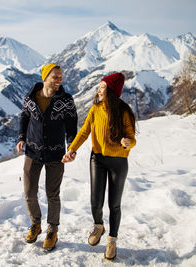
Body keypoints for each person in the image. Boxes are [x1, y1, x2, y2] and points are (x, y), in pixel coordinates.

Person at [62, 72, 136, 260]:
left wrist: (129, 142)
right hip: (98, 159)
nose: (99, 90)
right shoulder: (95, 110)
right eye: (99, 87)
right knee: (96, 201)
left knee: (114, 204)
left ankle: (112, 240)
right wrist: (71, 149)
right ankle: (99, 226)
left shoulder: (124, 111)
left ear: (111, 91)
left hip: (118, 161)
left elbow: (132, 137)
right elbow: (85, 131)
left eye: (102, 87)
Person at [16, 64, 78, 251]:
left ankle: (52, 230)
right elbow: (24, 118)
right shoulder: (31, 97)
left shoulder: (66, 100)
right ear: (45, 77)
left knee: (53, 194)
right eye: (55, 77)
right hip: (33, 152)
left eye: (60, 77)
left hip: (56, 153)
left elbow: (71, 126)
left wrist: (72, 148)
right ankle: (36, 224)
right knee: (29, 193)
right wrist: (21, 138)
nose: (59, 80)